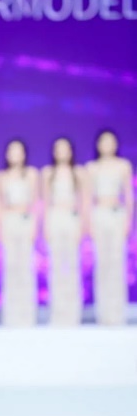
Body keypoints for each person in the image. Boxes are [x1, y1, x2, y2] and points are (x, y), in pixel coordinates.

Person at [85, 130, 133, 325]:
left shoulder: (123, 166)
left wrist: (129, 221)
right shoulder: (92, 168)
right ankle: (103, 314)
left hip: (117, 214)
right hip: (99, 214)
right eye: (103, 141)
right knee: (102, 264)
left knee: (117, 263)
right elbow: (87, 198)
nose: (107, 145)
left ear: (116, 144)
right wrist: (88, 223)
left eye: (110, 141)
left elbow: (129, 195)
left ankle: (117, 314)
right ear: (98, 145)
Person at [41, 137, 86, 326]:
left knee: (72, 266)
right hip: (55, 217)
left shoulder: (78, 172)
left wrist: (83, 226)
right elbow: (44, 202)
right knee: (56, 267)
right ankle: (58, 314)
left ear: (71, 151)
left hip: (71, 218)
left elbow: (83, 201)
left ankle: (73, 315)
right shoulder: (48, 173)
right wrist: (45, 226)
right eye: (58, 148)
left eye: (65, 148)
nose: (62, 152)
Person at [0, 139, 40, 327]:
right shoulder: (2, 176)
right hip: (9, 220)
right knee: (11, 267)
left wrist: (35, 226)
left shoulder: (31, 174)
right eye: (11, 151)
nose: (15, 154)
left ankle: (26, 316)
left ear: (24, 154)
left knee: (26, 268)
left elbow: (36, 202)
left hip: (26, 220)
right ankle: (11, 317)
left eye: (18, 151)